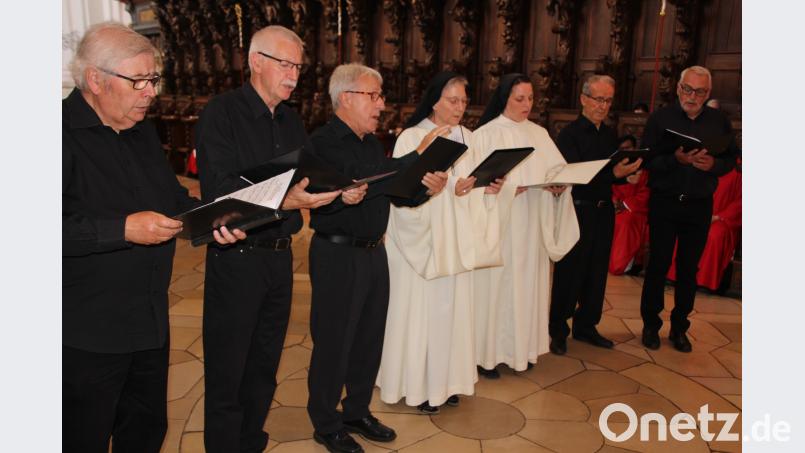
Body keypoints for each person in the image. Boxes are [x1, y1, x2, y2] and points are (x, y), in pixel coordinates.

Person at [63, 22, 243, 453]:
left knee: (144, 432)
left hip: (148, 320)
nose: (150, 92)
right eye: (139, 80)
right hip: (86, 332)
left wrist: (213, 221)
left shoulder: (141, 129)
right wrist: (123, 229)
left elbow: (172, 198)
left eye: (153, 80)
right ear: (95, 80)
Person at [195, 25, 346, 453]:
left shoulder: (291, 118)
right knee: (229, 372)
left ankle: (252, 443)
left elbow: (304, 180)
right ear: (256, 61)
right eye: (286, 64)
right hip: (237, 258)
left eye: (298, 66)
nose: (294, 74)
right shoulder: (221, 113)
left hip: (279, 260)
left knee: (263, 368)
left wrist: (335, 192)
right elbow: (221, 193)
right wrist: (287, 200)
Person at [306, 63, 448, 453]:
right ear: (347, 98)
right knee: (335, 341)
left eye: (381, 96)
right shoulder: (324, 141)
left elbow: (394, 191)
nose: (381, 105)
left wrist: (425, 187)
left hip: (373, 252)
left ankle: (356, 411)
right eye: (374, 96)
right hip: (337, 252)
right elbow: (364, 178)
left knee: (368, 338)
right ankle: (326, 421)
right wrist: (416, 156)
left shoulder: (370, 142)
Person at [376, 72, 513, 414]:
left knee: (453, 314)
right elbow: (402, 191)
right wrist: (440, 189)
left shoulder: (468, 135)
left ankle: (448, 381)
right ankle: (418, 384)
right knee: (423, 312)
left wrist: (483, 187)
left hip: (457, 238)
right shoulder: (413, 136)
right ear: (434, 99)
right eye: (453, 100)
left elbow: (468, 182)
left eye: (465, 101)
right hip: (424, 241)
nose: (460, 107)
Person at [472, 73, 580, 377]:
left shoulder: (539, 134)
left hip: (531, 224)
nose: (527, 104)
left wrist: (559, 188)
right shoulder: (486, 135)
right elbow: (475, 185)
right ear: (504, 98)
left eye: (530, 98)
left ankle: (522, 350)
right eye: (520, 98)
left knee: (527, 286)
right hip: (502, 227)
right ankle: (487, 355)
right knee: (497, 288)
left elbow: (556, 171)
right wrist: (507, 189)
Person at [638, 65, 739, 352]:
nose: (692, 96)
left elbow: (731, 158)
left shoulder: (719, 121)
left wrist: (715, 165)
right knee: (657, 264)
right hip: (665, 202)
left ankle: (680, 327)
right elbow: (647, 161)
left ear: (708, 93)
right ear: (679, 87)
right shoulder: (660, 119)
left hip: (698, 205)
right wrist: (675, 160)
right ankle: (650, 326)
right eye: (687, 89)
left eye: (699, 91)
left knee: (688, 268)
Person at [548, 75, 643, 355]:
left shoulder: (610, 134)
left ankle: (586, 325)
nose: (603, 106)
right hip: (578, 211)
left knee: (596, 273)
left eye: (608, 100)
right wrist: (614, 175)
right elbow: (575, 177)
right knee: (570, 272)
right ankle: (558, 329)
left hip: (603, 212)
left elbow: (610, 175)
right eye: (598, 99)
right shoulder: (569, 135)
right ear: (583, 99)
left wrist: (627, 179)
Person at [667, 160, 741, 291]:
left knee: (713, 236)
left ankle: (703, 281)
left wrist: (718, 216)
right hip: (697, 213)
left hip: (721, 219)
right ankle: (675, 276)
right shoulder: (702, 163)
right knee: (683, 229)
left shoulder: (738, 170)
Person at [609, 135, 651, 275]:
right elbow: (609, 188)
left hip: (636, 211)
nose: (626, 151)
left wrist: (625, 205)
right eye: (622, 149)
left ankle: (621, 265)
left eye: (628, 148)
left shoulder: (644, 169)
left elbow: (645, 194)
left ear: (635, 149)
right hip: (615, 207)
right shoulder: (614, 168)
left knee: (624, 221)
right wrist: (614, 202)